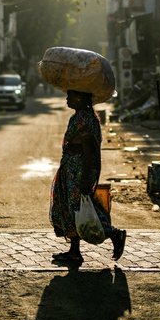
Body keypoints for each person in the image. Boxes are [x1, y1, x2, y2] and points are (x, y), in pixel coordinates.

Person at [50, 90, 126, 265]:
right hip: (71, 170)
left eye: (71, 96)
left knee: (81, 208)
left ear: (81, 98)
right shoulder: (79, 117)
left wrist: (86, 178)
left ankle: (114, 234)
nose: (67, 99)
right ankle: (74, 252)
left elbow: (90, 151)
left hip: (80, 171)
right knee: (73, 210)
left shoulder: (86, 119)